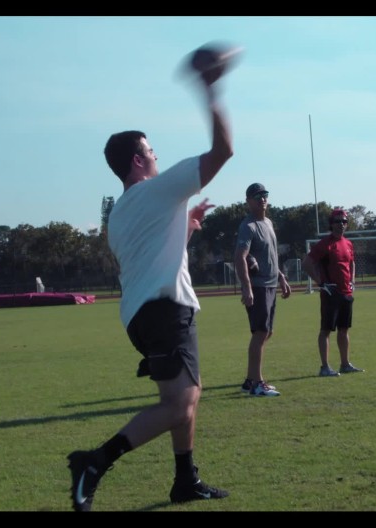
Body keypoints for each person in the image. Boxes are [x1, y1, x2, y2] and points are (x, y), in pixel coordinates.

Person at [65, 56, 234, 512]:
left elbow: (151, 252)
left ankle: (185, 480)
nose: (158, 156)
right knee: (181, 403)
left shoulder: (119, 213)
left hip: (141, 317)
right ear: (139, 160)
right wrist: (211, 91)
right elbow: (223, 153)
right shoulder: (157, 191)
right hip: (166, 309)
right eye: (153, 151)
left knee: (182, 396)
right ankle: (95, 461)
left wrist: (188, 226)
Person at [234, 182, 291, 397]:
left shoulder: (268, 223)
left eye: (265, 195)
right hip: (258, 287)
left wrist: (282, 278)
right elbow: (239, 257)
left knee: (267, 332)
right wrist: (247, 288)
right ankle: (258, 383)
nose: (263, 199)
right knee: (260, 333)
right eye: (257, 196)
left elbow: (272, 256)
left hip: (271, 285)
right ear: (248, 201)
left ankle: (250, 380)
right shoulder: (247, 227)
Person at [302, 207, 364, 377]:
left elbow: (351, 263)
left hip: (346, 293)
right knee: (326, 330)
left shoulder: (348, 243)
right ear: (331, 224)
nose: (341, 225)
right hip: (331, 294)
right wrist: (321, 283)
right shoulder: (324, 244)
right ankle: (325, 367)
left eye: (344, 221)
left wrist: (352, 281)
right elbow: (307, 263)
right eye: (337, 221)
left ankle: (345, 364)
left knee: (344, 330)